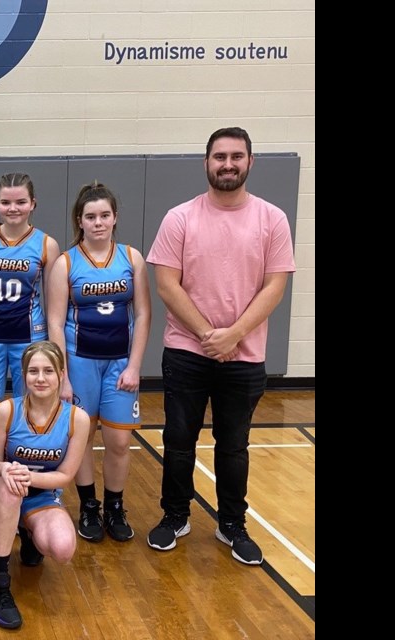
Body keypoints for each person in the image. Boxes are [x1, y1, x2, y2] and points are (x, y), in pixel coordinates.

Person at [145, 127, 296, 565]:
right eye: (219, 156)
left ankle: (232, 524)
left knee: (234, 446)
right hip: (187, 353)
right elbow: (167, 286)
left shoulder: (272, 219)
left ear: (250, 162)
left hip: (244, 356)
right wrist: (211, 337)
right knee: (178, 440)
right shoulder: (180, 217)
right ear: (206, 162)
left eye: (236, 156)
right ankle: (175, 516)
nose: (227, 164)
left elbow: (274, 287)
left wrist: (232, 337)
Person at [46, 182, 151, 543]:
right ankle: (89, 506)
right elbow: (55, 322)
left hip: (119, 362)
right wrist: (62, 374)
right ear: (80, 220)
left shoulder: (131, 258)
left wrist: (135, 365)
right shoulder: (66, 263)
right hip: (79, 362)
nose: (98, 222)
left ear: (115, 217)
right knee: (83, 437)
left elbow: (143, 314)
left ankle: (115, 506)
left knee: (120, 442)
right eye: (90, 216)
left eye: (104, 215)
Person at [0, 341, 91, 629]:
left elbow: (65, 477)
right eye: (33, 371)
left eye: (48, 370)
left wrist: (28, 477)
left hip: (40, 493)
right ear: (23, 375)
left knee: (62, 549)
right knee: (11, 490)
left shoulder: (77, 418)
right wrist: (6, 469)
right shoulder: (7, 410)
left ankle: (27, 530)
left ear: (62, 374)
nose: (40, 378)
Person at [0, 172, 59, 469]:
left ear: (33, 204)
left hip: (29, 341)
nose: (13, 208)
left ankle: (30, 486)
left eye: (20, 202)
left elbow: (54, 304)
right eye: (6, 202)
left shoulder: (46, 245)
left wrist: (55, 353)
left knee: (31, 417)